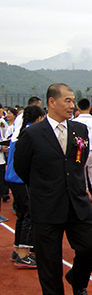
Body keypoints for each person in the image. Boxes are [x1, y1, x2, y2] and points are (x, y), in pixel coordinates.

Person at [14, 83, 92, 295]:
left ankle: (77, 279)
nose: (72, 105)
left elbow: (79, 162)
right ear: (52, 102)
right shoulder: (33, 134)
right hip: (47, 206)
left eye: (74, 101)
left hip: (77, 203)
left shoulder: (80, 130)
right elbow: (22, 167)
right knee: (49, 260)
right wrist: (44, 188)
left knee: (90, 248)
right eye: (68, 101)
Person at [6, 105, 46, 267]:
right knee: (29, 215)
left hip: (13, 179)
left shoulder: (19, 133)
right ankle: (23, 255)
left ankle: (17, 249)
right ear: (38, 118)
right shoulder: (32, 134)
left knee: (22, 215)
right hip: (22, 180)